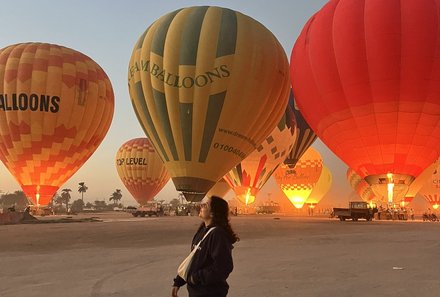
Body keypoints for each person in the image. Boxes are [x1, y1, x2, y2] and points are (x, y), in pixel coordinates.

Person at [172, 196, 239, 297]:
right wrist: (179, 281)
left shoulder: (218, 234)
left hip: (210, 293)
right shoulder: (202, 230)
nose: (201, 206)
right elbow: (194, 259)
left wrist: (196, 278)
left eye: (206, 205)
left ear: (213, 213)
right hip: (196, 292)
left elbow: (224, 267)